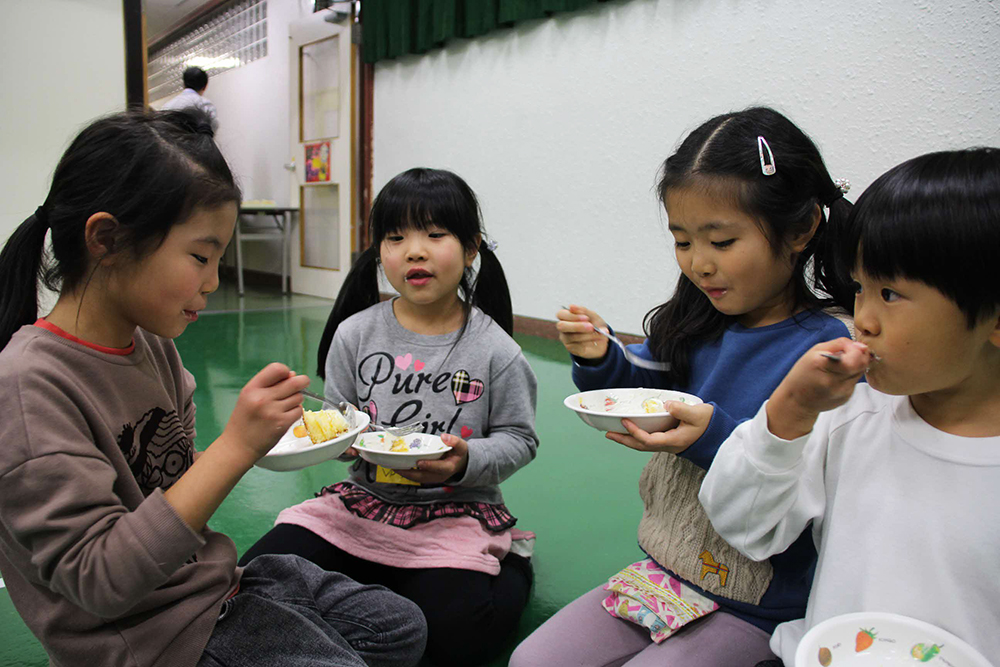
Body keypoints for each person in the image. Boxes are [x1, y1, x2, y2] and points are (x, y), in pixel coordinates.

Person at [0, 109, 426, 667]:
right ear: (107, 238)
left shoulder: (152, 346)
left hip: (208, 585)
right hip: (151, 639)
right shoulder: (30, 387)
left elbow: (172, 482)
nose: (213, 281)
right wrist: (235, 447)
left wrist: (262, 442)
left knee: (401, 627)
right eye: (201, 256)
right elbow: (101, 582)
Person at [510, 107, 856, 667]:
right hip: (669, 569)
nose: (699, 265)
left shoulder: (829, 352)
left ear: (800, 229)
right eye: (682, 241)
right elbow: (645, 386)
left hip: (757, 597)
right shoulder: (699, 322)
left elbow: (802, 483)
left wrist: (711, 436)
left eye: (721, 241)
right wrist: (601, 359)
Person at [700, 148, 1000, 664]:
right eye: (860, 288)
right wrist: (788, 414)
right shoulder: (849, 415)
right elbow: (741, 526)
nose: (863, 319)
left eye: (890, 294)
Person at [239, 167, 540, 666]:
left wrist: (465, 459)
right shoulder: (354, 335)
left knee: (453, 635)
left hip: (456, 510)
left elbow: (519, 439)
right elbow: (339, 420)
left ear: (471, 250)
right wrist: (334, 439)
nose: (414, 251)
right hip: (362, 502)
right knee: (254, 578)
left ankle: (512, 561)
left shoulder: (496, 351)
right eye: (395, 237)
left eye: (435, 235)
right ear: (379, 252)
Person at [162, 66, 219, 131]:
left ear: (184, 84)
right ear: (205, 86)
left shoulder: (167, 106)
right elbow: (212, 129)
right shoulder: (205, 105)